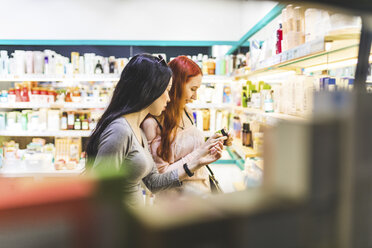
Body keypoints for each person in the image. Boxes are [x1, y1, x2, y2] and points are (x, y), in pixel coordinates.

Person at [86, 54, 225, 208]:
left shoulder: (136, 129)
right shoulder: (120, 130)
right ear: (149, 90)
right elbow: (98, 194)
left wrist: (198, 160)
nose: (169, 98)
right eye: (166, 90)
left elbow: (154, 182)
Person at [141, 56, 232, 197]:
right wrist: (202, 151)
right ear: (175, 85)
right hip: (177, 204)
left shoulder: (187, 111)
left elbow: (192, 147)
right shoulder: (152, 123)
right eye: (193, 89)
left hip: (202, 191)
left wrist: (215, 142)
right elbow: (159, 177)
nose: (195, 96)